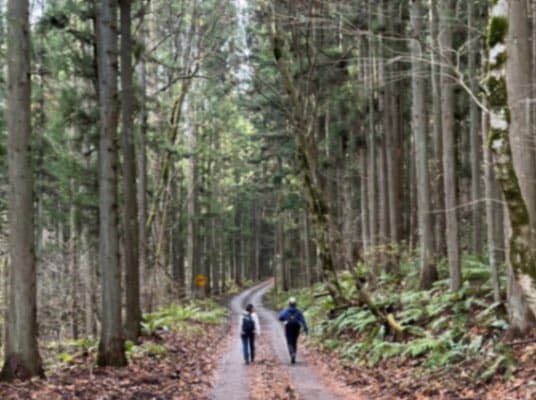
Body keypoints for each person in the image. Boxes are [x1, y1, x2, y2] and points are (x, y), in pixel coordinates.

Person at [278, 297, 308, 364]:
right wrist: (306, 329)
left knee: (289, 341)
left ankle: (291, 352)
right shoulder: (298, 311)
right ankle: (294, 353)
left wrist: (284, 320)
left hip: (288, 327)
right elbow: (303, 320)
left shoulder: (286, 311)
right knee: (294, 341)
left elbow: (280, 318)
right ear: (295, 304)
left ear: (289, 304)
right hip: (296, 327)